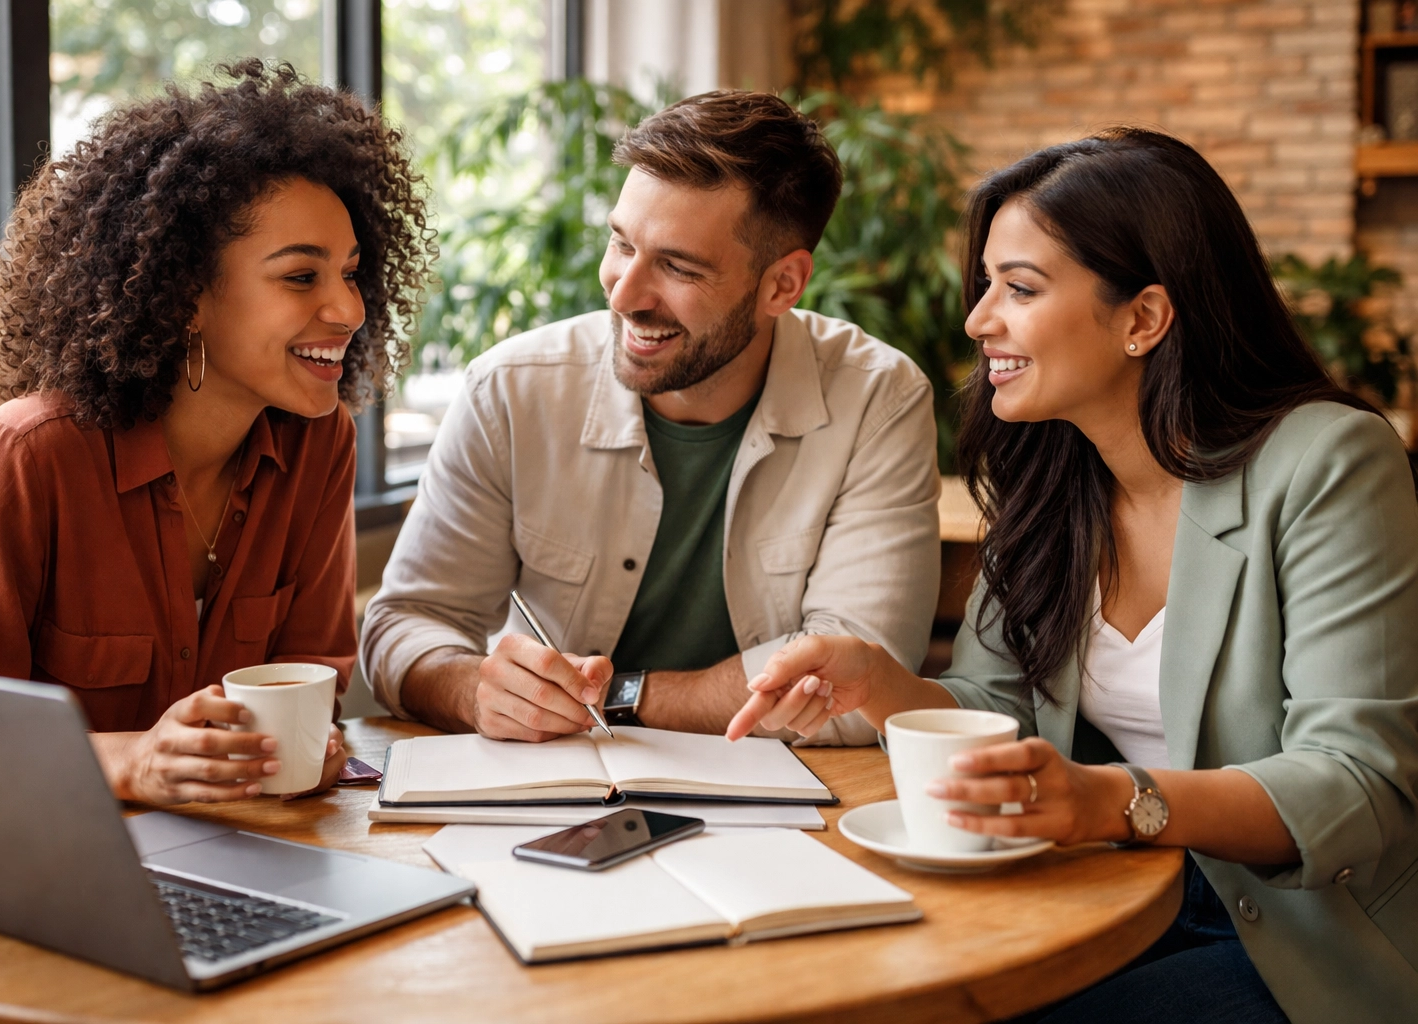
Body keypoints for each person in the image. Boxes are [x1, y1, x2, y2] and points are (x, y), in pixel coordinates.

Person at [728, 128, 1418, 1023]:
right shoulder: (1051, 477)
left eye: (1018, 288)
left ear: (1144, 318)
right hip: (1110, 894)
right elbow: (1003, 709)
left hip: (1298, 938)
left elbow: (1357, 783)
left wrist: (1109, 799)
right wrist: (882, 685)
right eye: (986, 286)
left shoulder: (1327, 462)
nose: (978, 320)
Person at [0, 61, 433, 806]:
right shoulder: (24, 459)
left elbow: (312, 669)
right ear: (185, 299)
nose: (349, 310)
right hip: (52, 873)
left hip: (251, 853)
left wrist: (305, 745)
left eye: (352, 272)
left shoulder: (319, 443)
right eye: (301, 278)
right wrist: (129, 763)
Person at [360, 90, 941, 745]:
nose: (624, 293)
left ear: (782, 285)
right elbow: (405, 623)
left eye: (677, 266)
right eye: (621, 243)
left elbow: (857, 684)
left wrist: (615, 698)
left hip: (789, 808)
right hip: (547, 792)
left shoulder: (877, 399)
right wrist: (473, 691)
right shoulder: (511, 389)